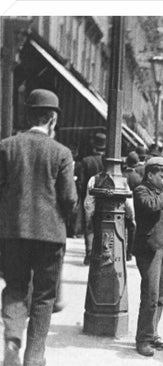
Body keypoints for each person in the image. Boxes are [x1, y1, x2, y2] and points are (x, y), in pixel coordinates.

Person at [0, 89, 77, 366]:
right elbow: (69, 198)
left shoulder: (6, 147)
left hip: (12, 233)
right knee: (44, 297)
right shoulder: (62, 153)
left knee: (16, 288)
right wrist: (68, 220)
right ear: (53, 120)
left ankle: (12, 339)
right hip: (49, 236)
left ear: (28, 114)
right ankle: (34, 357)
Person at [132, 157, 163, 357]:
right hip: (149, 248)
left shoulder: (162, 192)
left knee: (161, 295)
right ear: (150, 174)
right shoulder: (141, 190)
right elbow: (152, 206)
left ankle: (152, 333)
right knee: (150, 296)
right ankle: (142, 340)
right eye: (162, 176)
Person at [84, 169, 136, 262]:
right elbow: (129, 203)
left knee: (97, 240)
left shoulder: (94, 179)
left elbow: (89, 202)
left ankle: (90, 255)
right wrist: (131, 217)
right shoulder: (122, 180)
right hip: (117, 217)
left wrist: (89, 215)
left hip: (98, 216)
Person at [79, 131, 106, 265]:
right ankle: (101, 252)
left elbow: (81, 183)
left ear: (94, 145)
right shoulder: (107, 161)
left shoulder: (86, 161)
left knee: (89, 226)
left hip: (89, 195)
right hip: (104, 197)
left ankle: (89, 253)